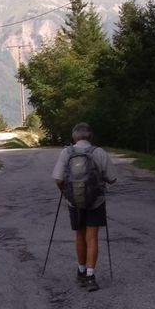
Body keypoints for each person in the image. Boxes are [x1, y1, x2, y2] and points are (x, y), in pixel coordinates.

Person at [52, 122, 117, 293]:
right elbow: (112, 178)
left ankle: (80, 271)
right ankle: (90, 276)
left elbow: (58, 179)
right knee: (92, 237)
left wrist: (67, 194)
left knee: (79, 235)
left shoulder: (66, 152)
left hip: (74, 202)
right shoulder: (99, 152)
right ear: (90, 137)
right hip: (96, 201)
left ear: (74, 137)